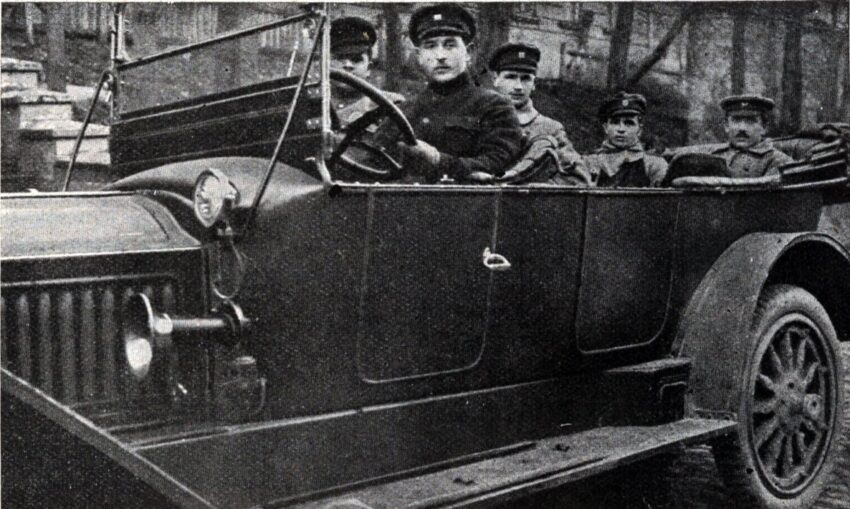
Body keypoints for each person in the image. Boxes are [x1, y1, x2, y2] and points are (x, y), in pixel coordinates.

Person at [372, 4, 523, 183]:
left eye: (450, 45)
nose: (440, 56)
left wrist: (438, 161)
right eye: (430, 46)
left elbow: (497, 164)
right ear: (419, 56)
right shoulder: (402, 111)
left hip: (465, 199)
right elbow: (374, 162)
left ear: (469, 52)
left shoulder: (494, 107)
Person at [489, 42, 584, 174]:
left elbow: (578, 176)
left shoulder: (551, 129)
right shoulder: (479, 121)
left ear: (534, 83)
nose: (518, 86)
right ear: (495, 79)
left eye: (526, 79)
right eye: (511, 77)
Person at [330, 17, 405, 127]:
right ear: (327, 64)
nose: (347, 65)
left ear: (369, 68)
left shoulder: (390, 104)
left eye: (356, 59)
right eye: (340, 58)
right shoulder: (312, 106)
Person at [582, 92, 668, 187]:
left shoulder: (653, 165)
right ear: (606, 128)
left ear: (639, 130)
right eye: (615, 122)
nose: (621, 129)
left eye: (629, 123)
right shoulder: (589, 162)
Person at [710, 95, 793, 177]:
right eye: (736, 120)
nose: (742, 128)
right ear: (726, 126)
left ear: (764, 127)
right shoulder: (713, 156)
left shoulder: (778, 161)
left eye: (750, 121)